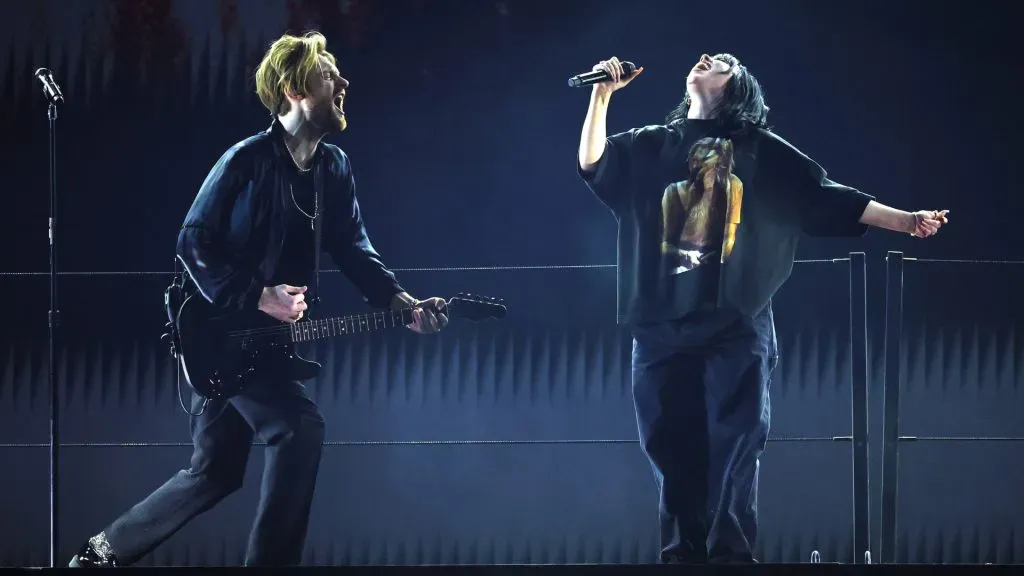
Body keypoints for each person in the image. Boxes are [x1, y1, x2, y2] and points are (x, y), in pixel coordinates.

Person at [69, 31, 449, 568]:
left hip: (262, 343)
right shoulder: (245, 161)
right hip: (213, 334)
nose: (342, 82)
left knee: (215, 472)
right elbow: (191, 241)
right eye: (328, 74)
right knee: (299, 427)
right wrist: (259, 295)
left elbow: (354, 248)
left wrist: (400, 302)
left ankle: (100, 554)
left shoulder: (333, 168)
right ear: (295, 88)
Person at [576, 53, 948, 564]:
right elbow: (594, 164)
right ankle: (682, 551)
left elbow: (825, 195)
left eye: (722, 62)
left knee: (738, 438)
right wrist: (602, 97)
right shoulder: (651, 144)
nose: (705, 59)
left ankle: (730, 552)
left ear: (736, 88)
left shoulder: (759, 150)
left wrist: (906, 222)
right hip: (660, 318)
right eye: (706, 58)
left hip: (734, 318)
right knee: (666, 440)